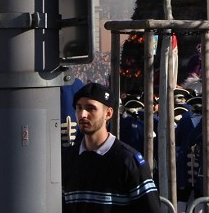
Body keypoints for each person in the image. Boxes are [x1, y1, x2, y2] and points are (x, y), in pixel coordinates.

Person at [62, 82, 163, 213]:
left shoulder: (128, 161)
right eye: (79, 108)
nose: (83, 115)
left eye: (91, 108)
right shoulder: (68, 159)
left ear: (108, 113)